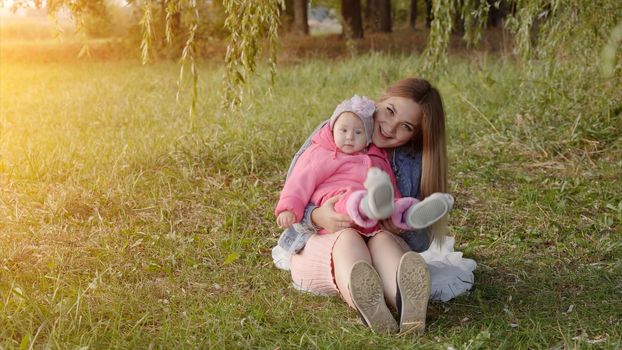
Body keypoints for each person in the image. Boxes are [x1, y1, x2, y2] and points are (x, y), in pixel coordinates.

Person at [275, 78, 452, 334]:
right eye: (390, 111)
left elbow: (422, 241)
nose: (391, 128)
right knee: (348, 238)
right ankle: (368, 300)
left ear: (416, 135)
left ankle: (406, 302)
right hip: (324, 241)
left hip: (376, 236)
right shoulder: (339, 130)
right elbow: (294, 188)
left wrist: (401, 227)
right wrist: (316, 216)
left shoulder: (411, 160)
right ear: (378, 101)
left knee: (382, 239)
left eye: (406, 127)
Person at [275, 95, 453, 237]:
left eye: (358, 132)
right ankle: (368, 205)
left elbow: (390, 187)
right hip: (339, 206)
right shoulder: (323, 150)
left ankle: (410, 213)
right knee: (352, 200)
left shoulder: (378, 156)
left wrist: (396, 220)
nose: (350, 137)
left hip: (376, 229)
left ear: (366, 136)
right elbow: (297, 184)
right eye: (343, 131)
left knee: (395, 205)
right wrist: (295, 211)